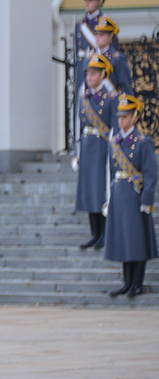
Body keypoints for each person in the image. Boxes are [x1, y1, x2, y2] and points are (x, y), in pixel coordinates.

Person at [104, 94, 157, 298]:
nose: (121, 121)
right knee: (124, 240)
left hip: (135, 196)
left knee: (136, 240)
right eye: (119, 117)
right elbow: (111, 172)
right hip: (119, 195)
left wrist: (147, 200)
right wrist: (108, 200)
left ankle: (137, 283)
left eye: (125, 117)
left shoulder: (143, 142)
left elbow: (151, 174)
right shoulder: (115, 143)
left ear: (135, 117)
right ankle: (126, 282)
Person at [73, 54, 117, 249]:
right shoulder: (85, 98)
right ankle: (94, 233)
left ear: (102, 75)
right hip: (88, 146)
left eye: (93, 74)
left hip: (101, 147)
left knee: (100, 190)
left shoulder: (110, 99)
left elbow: (114, 129)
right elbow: (81, 127)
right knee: (90, 191)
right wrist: (79, 152)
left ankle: (105, 234)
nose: (89, 78)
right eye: (88, 74)